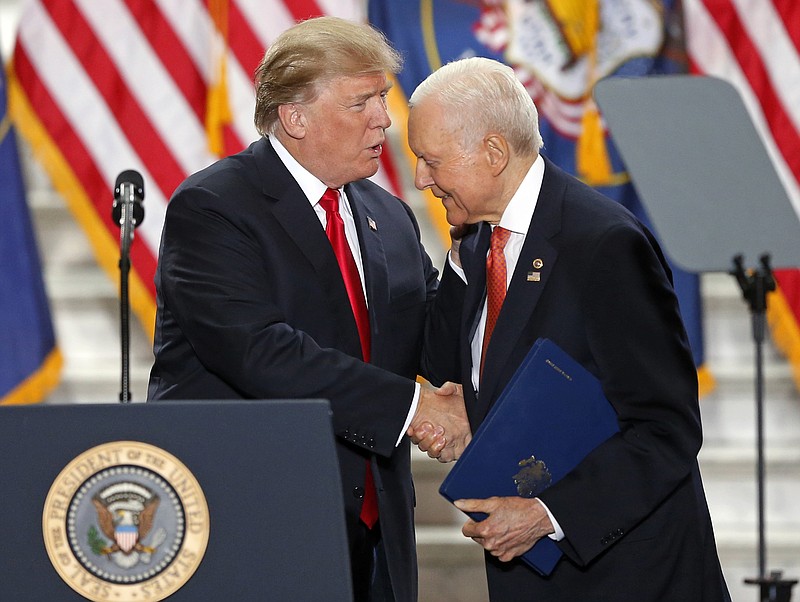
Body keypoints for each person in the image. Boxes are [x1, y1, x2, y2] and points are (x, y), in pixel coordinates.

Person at [147, 16, 470, 602]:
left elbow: (436, 336)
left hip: (376, 531)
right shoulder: (215, 206)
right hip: (253, 518)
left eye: (382, 97)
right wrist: (419, 406)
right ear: (295, 117)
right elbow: (259, 352)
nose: (383, 119)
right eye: (361, 103)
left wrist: (478, 233)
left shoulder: (389, 215)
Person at [409, 57, 731, 601]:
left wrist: (545, 515)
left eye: (431, 160)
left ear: (492, 153)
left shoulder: (604, 245)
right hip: (535, 579)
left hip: (629, 577)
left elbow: (666, 429)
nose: (420, 178)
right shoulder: (480, 242)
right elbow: (447, 367)